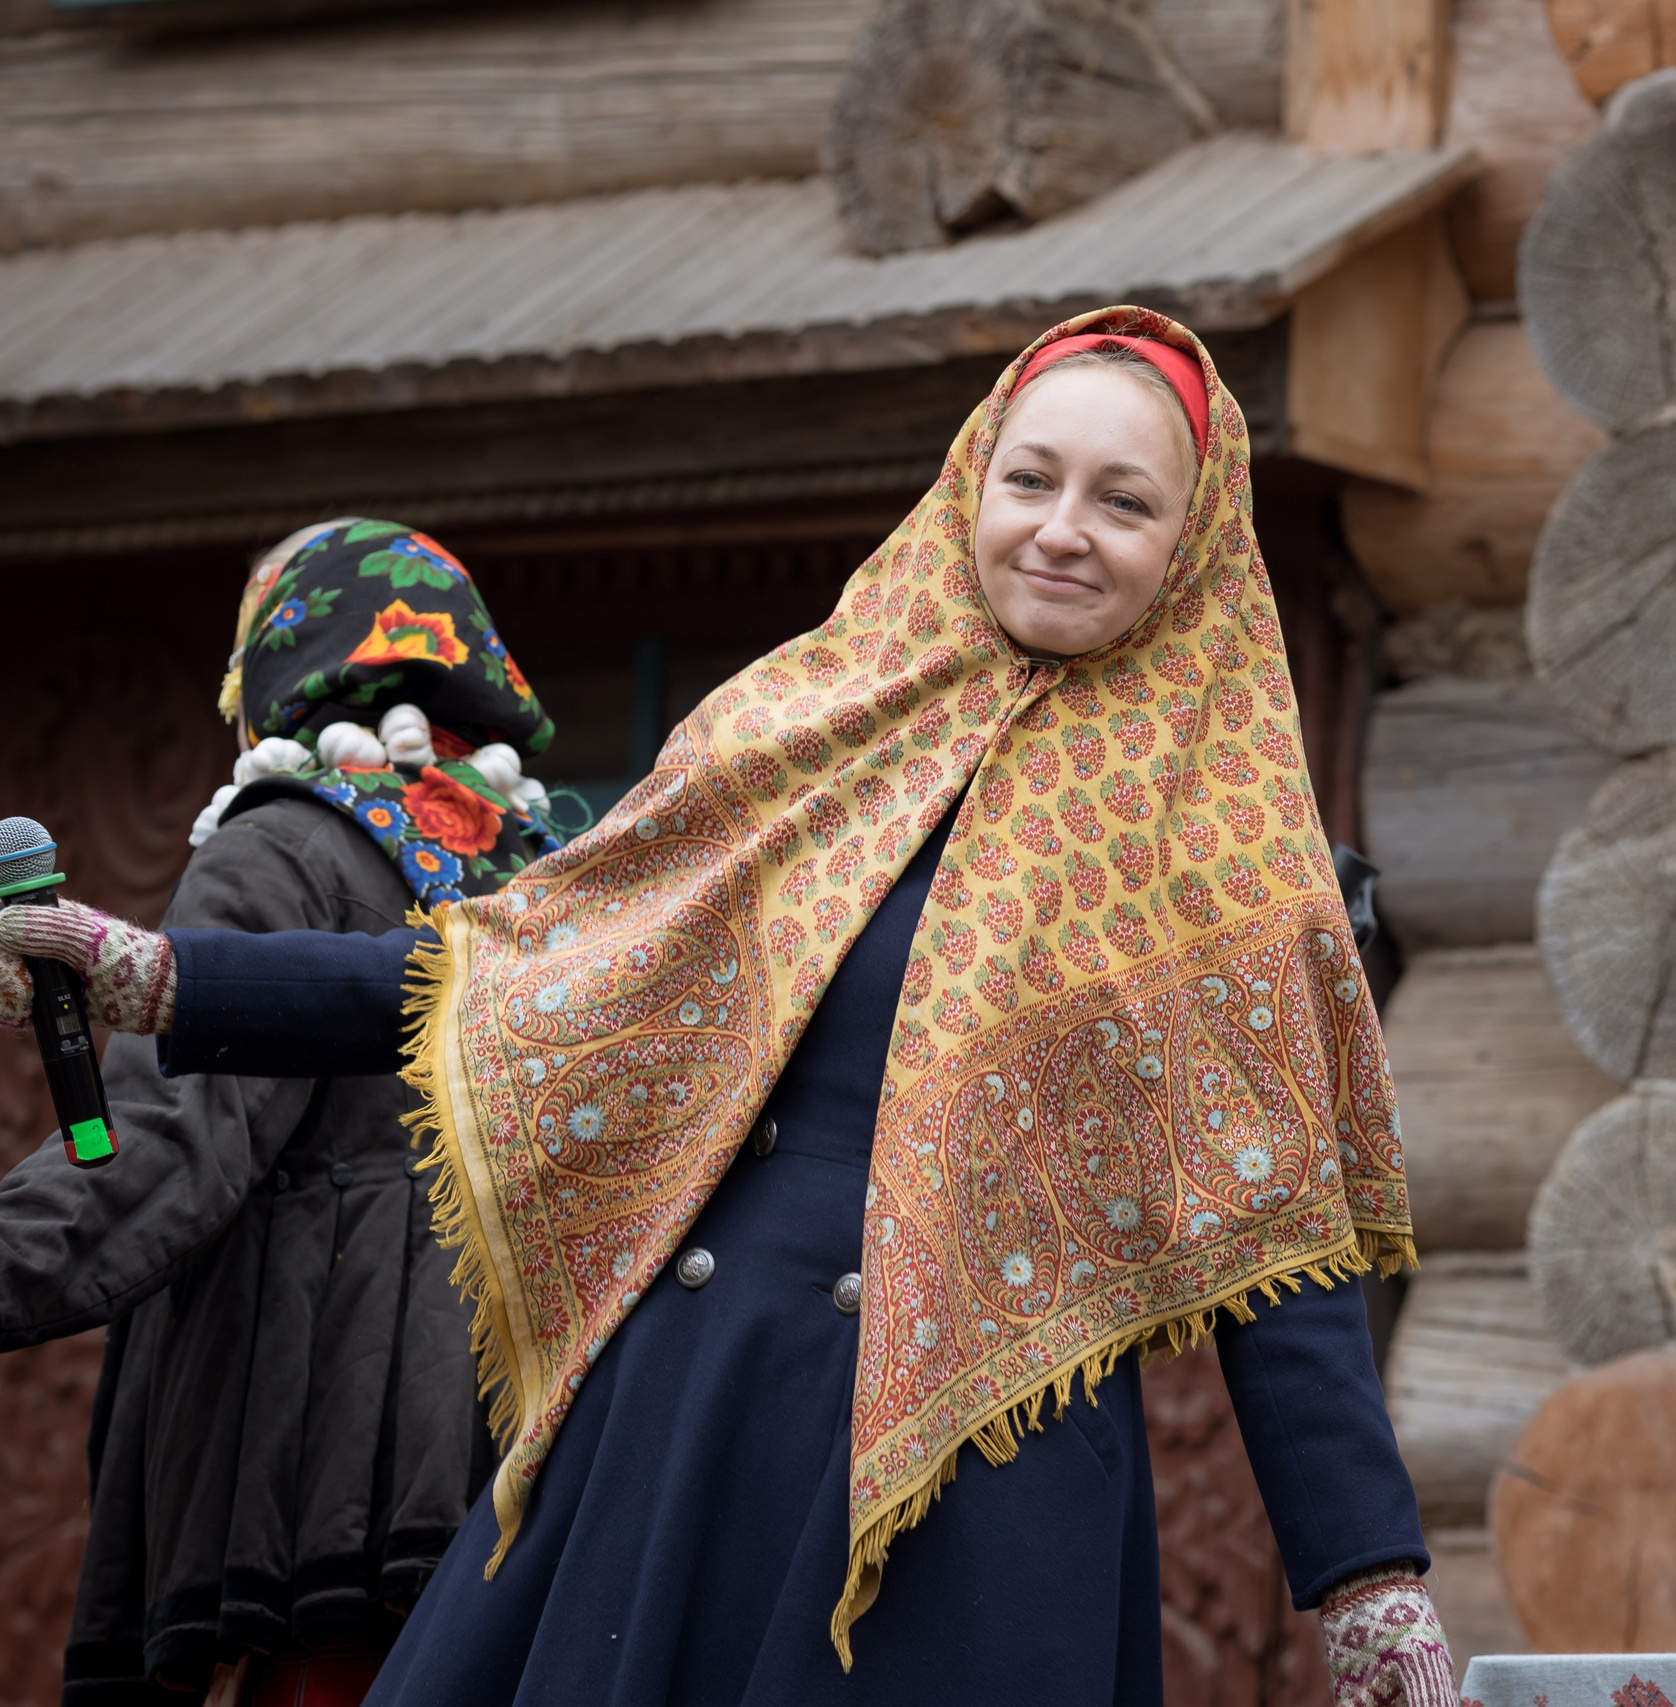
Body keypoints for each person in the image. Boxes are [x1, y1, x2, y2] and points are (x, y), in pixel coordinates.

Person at [0, 309, 1457, 1707]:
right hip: (702, 1418)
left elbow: (1286, 1233)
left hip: (984, 1489)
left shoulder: (1221, 862)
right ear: (972, 485)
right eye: (1032, 477)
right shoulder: (799, 734)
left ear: (1192, 548)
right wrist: (166, 975)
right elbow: (508, 985)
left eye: (1125, 501)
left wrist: (1366, 1565)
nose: (1064, 527)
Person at [0, 520, 562, 1705]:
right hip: (521, 1467)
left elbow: (166, 1143)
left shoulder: (286, 845)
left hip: (321, 1469)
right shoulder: (552, 871)